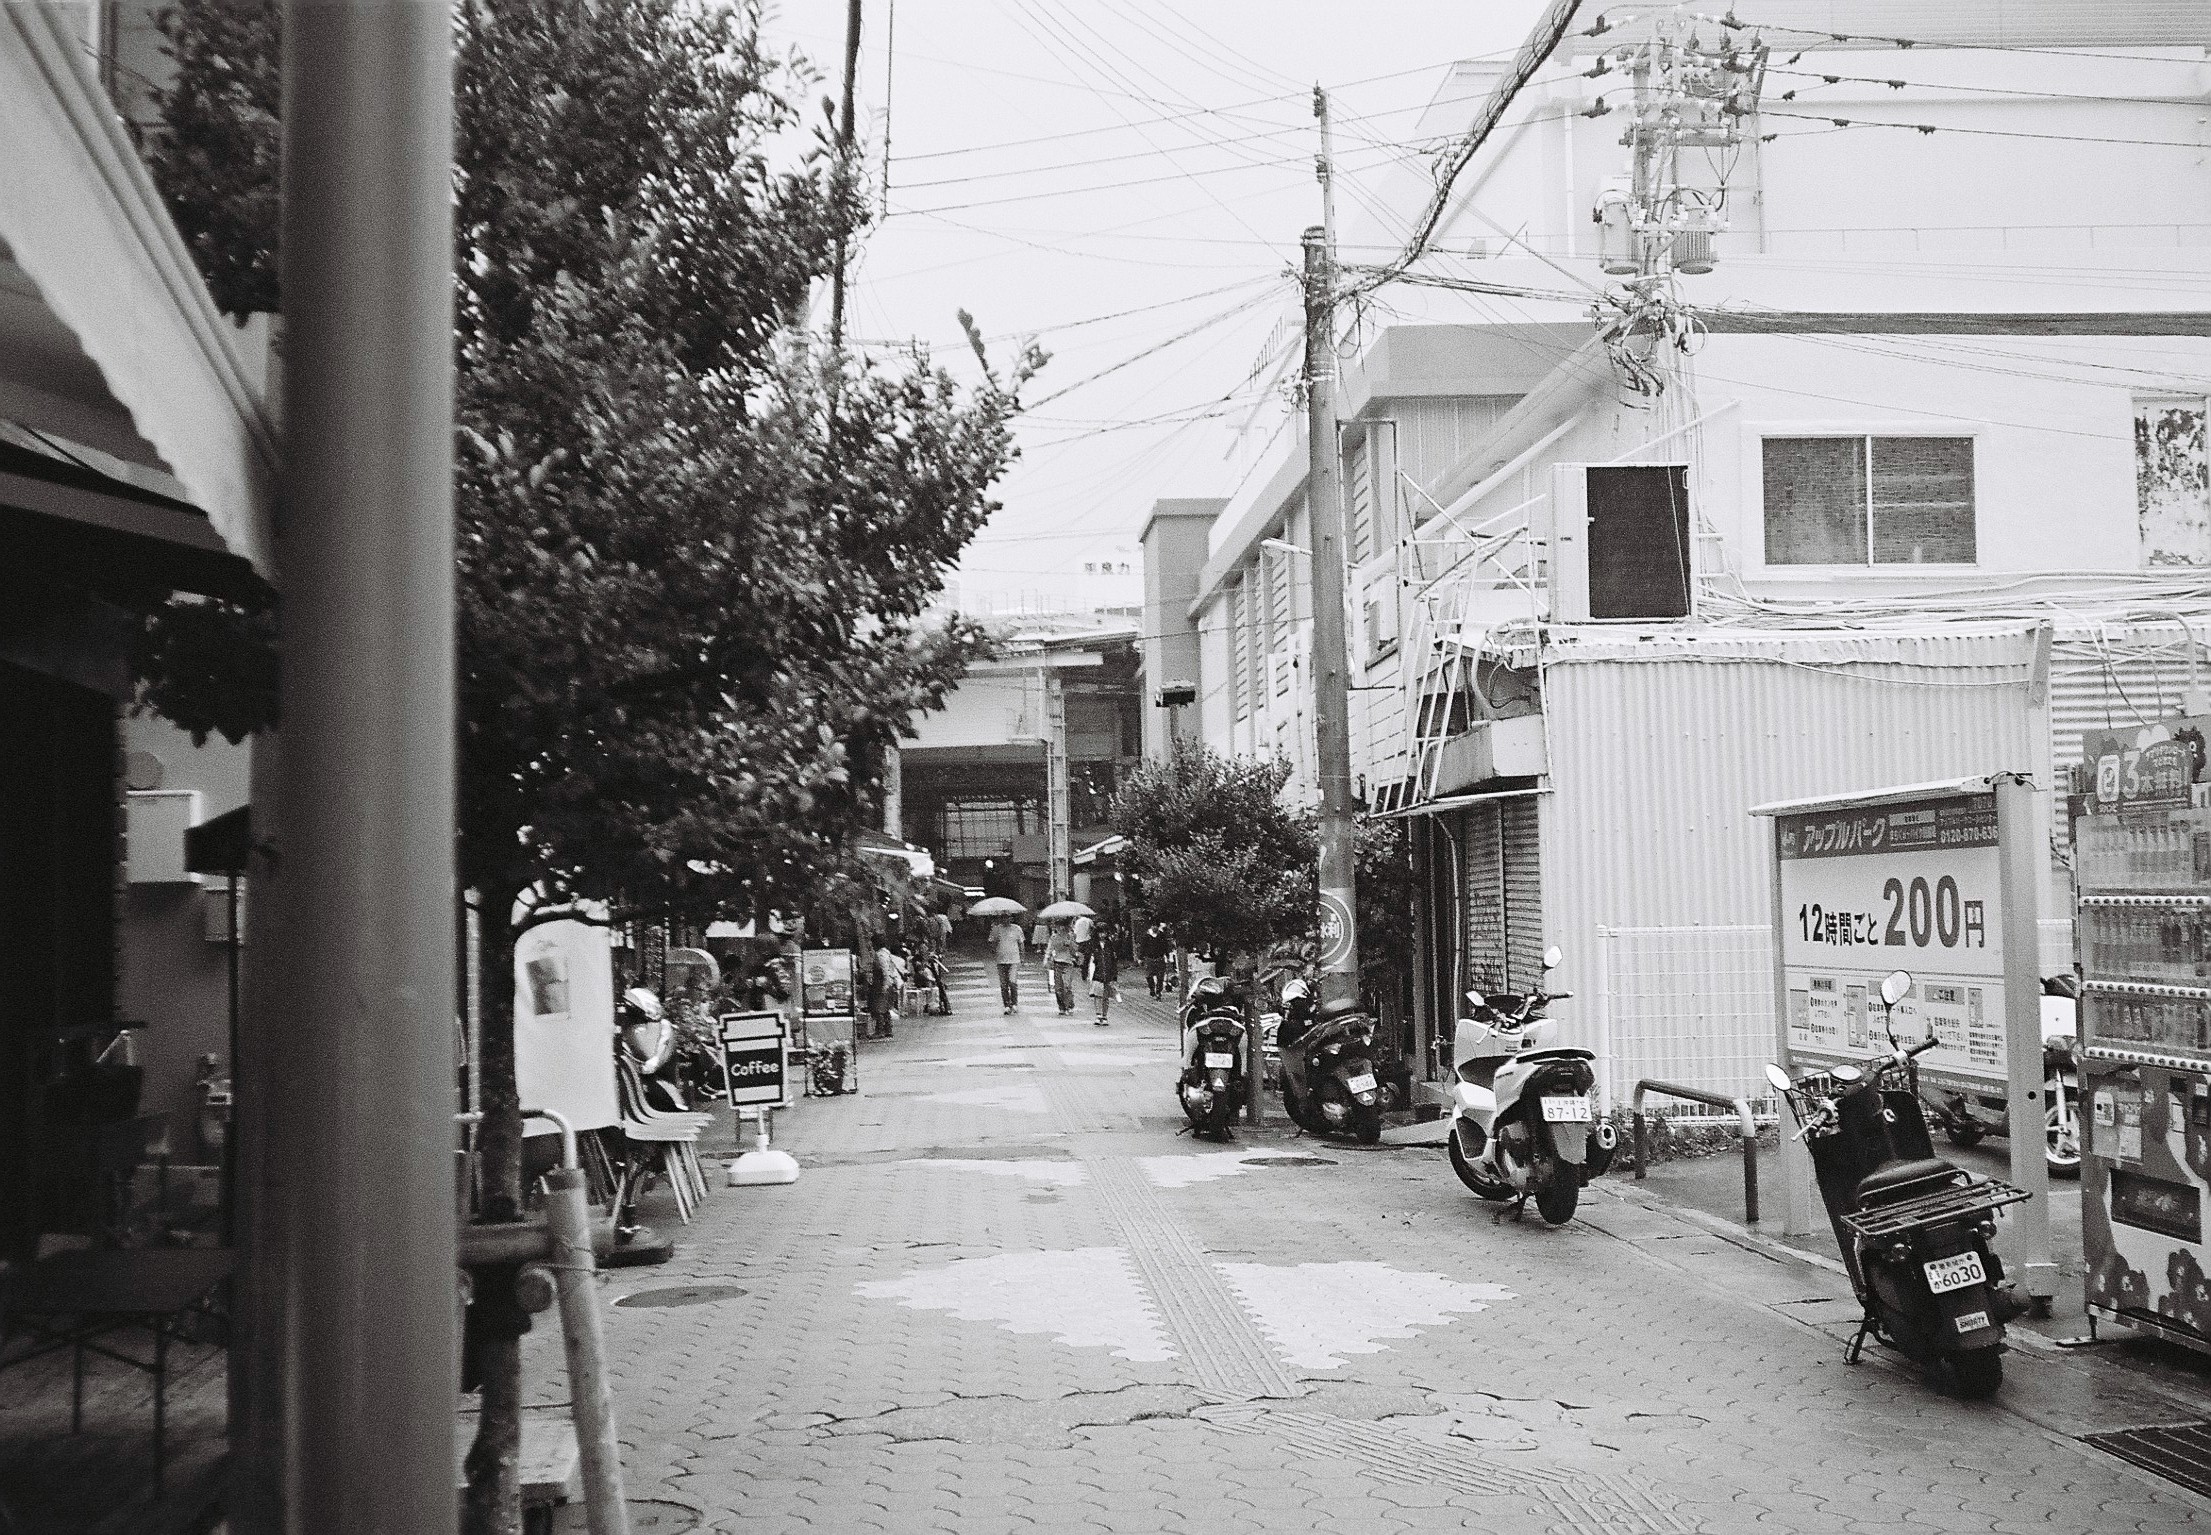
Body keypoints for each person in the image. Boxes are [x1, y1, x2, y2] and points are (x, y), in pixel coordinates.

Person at [870, 939, 905, 1039]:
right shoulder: (887, 954)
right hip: (889, 983)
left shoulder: (880, 955)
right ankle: (888, 1030)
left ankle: (880, 1031)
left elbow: (885, 970)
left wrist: (884, 985)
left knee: (879, 1008)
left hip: (882, 983)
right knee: (885, 1008)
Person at [989, 916, 1025, 1014]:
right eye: (1003, 918)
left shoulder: (1017, 928)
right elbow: (992, 944)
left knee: (1012, 982)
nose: (1005, 920)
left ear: (1011, 918)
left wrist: (1022, 957)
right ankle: (1006, 1005)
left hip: (1014, 960)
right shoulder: (996, 929)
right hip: (1001, 960)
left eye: (1007, 917)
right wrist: (994, 945)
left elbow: (1021, 943)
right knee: (1003, 984)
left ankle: (1014, 1003)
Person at [1044, 919, 1080, 1014]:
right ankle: (1061, 1007)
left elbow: (1075, 950)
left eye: (1063, 926)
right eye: (1059, 926)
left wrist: (1070, 944)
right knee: (1058, 988)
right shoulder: (1054, 937)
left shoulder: (1071, 936)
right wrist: (1046, 959)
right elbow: (1050, 949)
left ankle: (1069, 1005)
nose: (1061, 928)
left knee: (1067, 985)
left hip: (1068, 963)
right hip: (1057, 963)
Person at [1089, 921, 1120, 1026]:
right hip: (1097, 973)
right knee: (1098, 995)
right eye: (1100, 932)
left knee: (1106, 997)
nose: (1102, 935)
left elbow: (1114, 961)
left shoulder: (1110, 945)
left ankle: (1105, 1015)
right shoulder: (1093, 945)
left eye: (1104, 932)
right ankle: (1098, 1015)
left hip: (1108, 974)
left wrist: (1114, 976)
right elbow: (1089, 959)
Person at [1143, 923, 1171, 998]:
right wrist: (1140, 957)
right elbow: (1143, 947)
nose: (1155, 927)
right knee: (1148, 975)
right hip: (1149, 958)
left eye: (1156, 926)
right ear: (1151, 927)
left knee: (1160, 976)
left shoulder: (1161, 935)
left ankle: (1158, 991)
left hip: (1159, 958)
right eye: (1153, 926)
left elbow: (1165, 946)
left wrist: (1167, 955)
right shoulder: (1146, 936)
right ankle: (1152, 988)